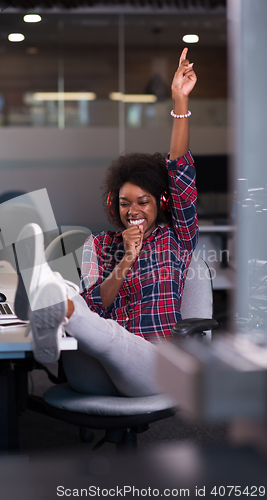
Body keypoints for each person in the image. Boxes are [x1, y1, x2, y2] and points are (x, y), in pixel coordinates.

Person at [14, 48, 198, 398]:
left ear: (160, 201)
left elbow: (180, 169)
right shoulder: (98, 245)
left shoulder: (177, 238)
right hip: (100, 369)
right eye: (125, 203)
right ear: (114, 204)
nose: (134, 211)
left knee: (104, 331)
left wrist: (179, 101)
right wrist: (126, 259)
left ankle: (52, 301)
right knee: (84, 308)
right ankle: (50, 292)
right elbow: (97, 307)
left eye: (143, 202)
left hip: (153, 369)